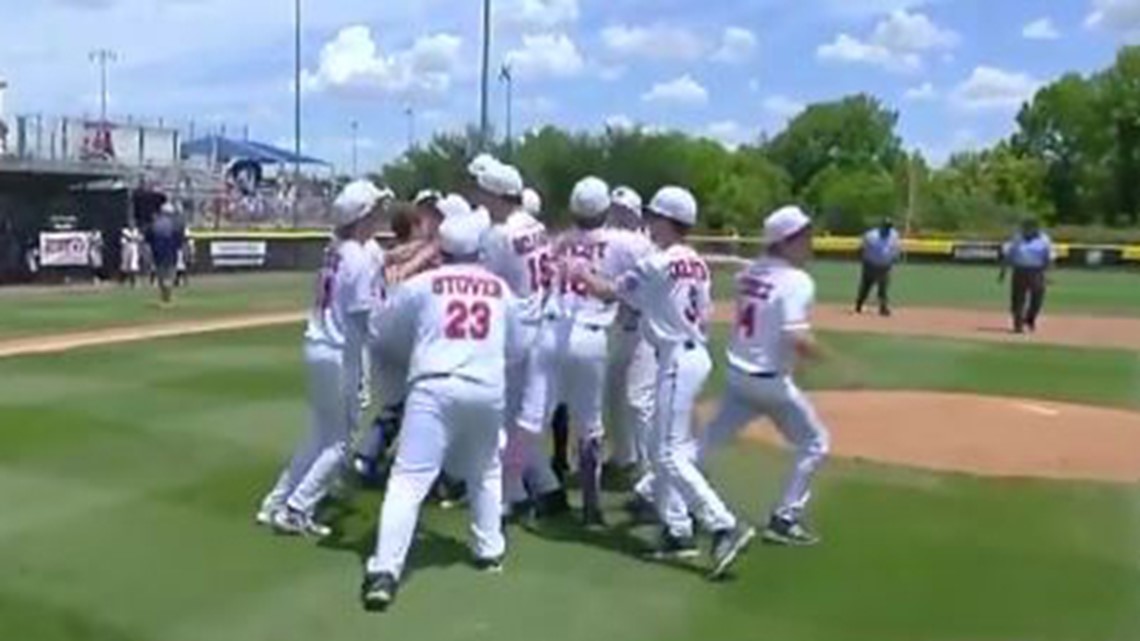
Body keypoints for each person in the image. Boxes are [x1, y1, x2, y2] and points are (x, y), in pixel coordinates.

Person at [575, 186, 755, 579]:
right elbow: (658, 303)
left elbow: (609, 292)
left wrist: (580, 272)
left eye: (654, 217)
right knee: (661, 450)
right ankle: (677, 530)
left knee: (669, 453)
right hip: (693, 353)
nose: (649, 222)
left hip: (676, 358)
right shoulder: (695, 263)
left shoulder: (656, 264)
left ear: (669, 221)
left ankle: (724, 525)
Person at [361, 197, 518, 611]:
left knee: (409, 480)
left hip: (433, 385)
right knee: (485, 469)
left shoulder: (421, 285)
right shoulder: (500, 289)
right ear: (478, 251)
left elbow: (384, 331)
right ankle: (489, 550)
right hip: (486, 386)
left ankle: (384, 571)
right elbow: (517, 345)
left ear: (443, 249)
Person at [255, 179, 388, 537]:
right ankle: (297, 508)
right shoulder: (359, 256)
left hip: (317, 343)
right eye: (376, 209)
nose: (381, 215)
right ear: (363, 216)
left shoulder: (337, 249)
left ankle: (276, 502)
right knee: (340, 441)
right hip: (339, 350)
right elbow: (362, 318)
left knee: (318, 435)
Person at [518, 176, 653, 527]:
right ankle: (591, 511)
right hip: (591, 336)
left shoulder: (555, 241)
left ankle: (519, 492)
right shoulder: (626, 242)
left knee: (529, 420)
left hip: (548, 332)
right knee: (590, 427)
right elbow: (653, 271)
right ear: (606, 208)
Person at [699, 205, 831, 547]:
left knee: (709, 440)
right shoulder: (797, 280)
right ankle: (785, 518)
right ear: (785, 242)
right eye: (803, 236)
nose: (809, 241)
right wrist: (839, 364)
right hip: (769, 382)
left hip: (737, 374)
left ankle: (654, 492)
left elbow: (736, 267)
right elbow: (796, 336)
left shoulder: (754, 272)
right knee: (815, 443)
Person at [472, 159, 568, 520]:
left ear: (497, 194)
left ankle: (514, 493)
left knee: (507, 418)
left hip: (519, 333)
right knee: (520, 420)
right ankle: (544, 487)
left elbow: (484, 283)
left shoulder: (498, 235)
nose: (480, 198)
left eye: (484, 192)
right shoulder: (535, 225)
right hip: (545, 323)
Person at [603, 186, 657, 487]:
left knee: (639, 399)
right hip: (621, 328)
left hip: (645, 330)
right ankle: (624, 456)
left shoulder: (645, 245)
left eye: (624, 211)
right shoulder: (612, 242)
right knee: (612, 393)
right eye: (615, 210)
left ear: (635, 214)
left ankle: (651, 471)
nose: (618, 215)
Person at [999, 219, 1053, 334]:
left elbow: (1048, 258)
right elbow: (1008, 255)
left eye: (1029, 229)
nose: (1026, 232)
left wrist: (1047, 274)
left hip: (1036, 271)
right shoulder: (1016, 238)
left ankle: (1030, 318)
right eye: (1024, 229)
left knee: (1037, 298)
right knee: (1018, 299)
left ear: (1036, 230)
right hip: (1019, 270)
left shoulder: (1044, 240)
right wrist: (1003, 272)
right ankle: (1018, 325)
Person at [855, 218, 901, 316]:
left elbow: (896, 248)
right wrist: (863, 260)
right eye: (885, 227)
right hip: (870, 264)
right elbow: (861, 248)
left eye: (889, 227)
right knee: (866, 286)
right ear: (881, 226)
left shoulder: (894, 235)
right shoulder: (871, 236)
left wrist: (895, 258)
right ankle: (859, 305)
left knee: (883, 288)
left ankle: (883, 308)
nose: (887, 230)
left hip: (884, 266)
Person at [144, 203, 186, 306]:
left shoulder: (154, 223)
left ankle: (164, 297)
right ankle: (168, 297)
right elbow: (179, 240)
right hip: (171, 252)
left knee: (161, 275)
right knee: (170, 275)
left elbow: (148, 238)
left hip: (157, 252)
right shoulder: (175, 224)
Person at [120, 223, 143, 287]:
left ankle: (133, 282)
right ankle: (122, 281)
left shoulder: (136, 231)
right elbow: (123, 240)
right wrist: (131, 238)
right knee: (125, 265)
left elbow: (140, 238)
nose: (131, 226)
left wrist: (136, 239)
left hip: (134, 247)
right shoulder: (125, 231)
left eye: (132, 224)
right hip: (126, 248)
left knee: (134, 265)